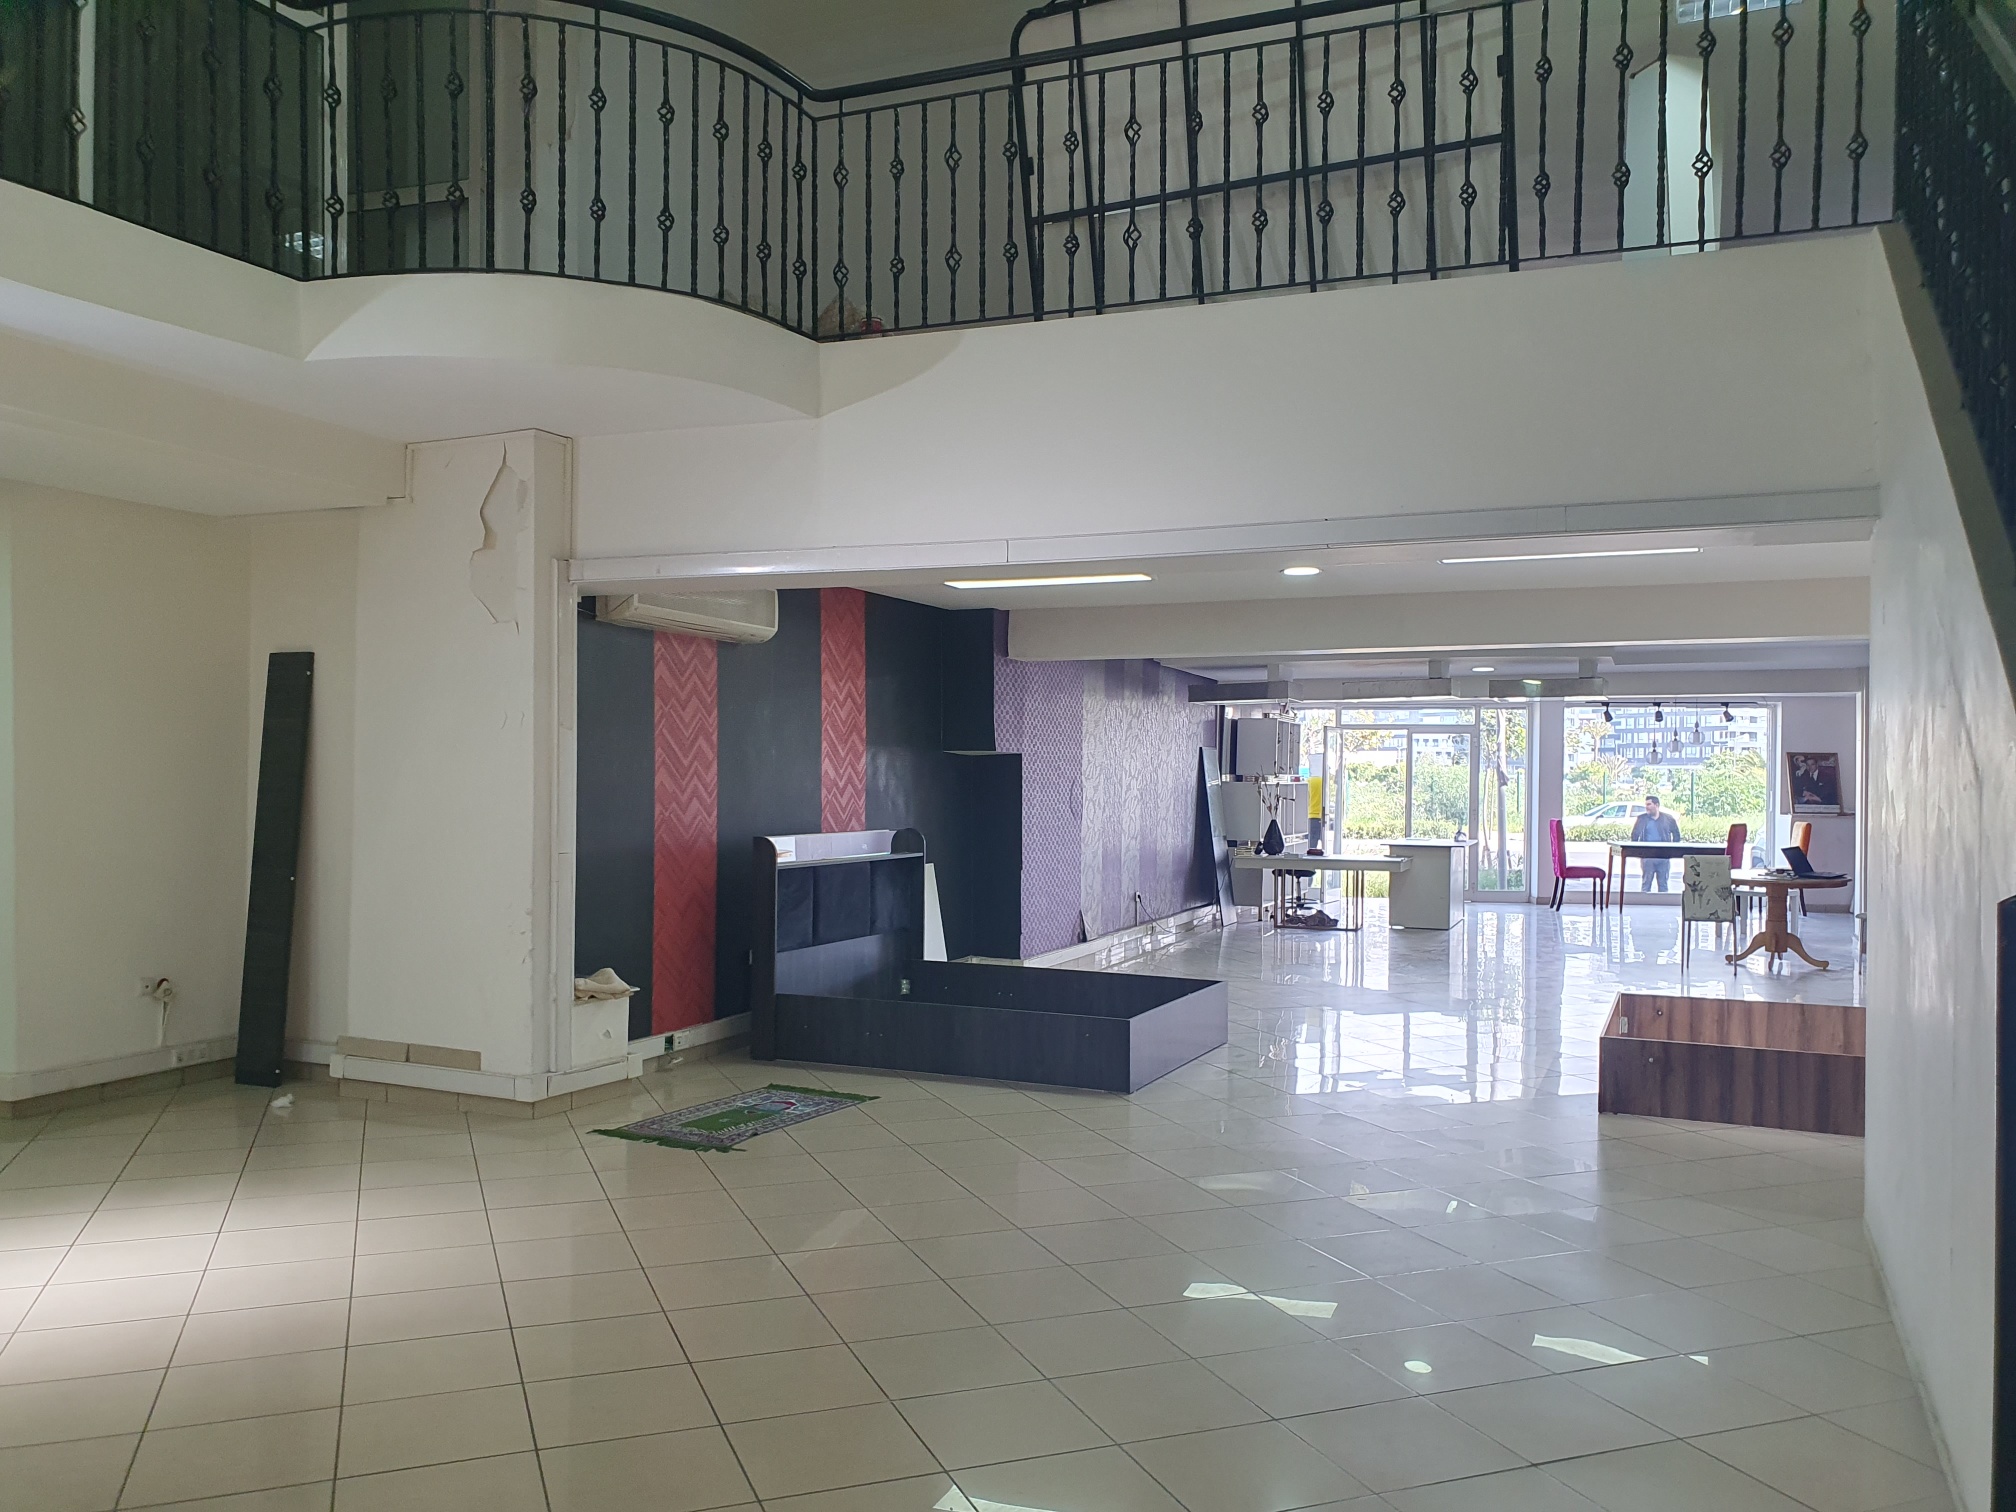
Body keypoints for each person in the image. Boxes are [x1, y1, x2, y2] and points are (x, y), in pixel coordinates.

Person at [1630, 794, 1682, 890]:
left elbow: (1676, 835)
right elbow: (1634, 836)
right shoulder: (1642, 819)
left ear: (1656, 805)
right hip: (1647, 857)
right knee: (1646, 884)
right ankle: (1644, 900)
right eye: (1646, 804)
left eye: (1649, 804)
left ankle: (1663, 900)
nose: (1646, 807)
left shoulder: (1668, 819)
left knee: (1663, 885)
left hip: (1663, 857)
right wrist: (1638, 852)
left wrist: (1672, 851)